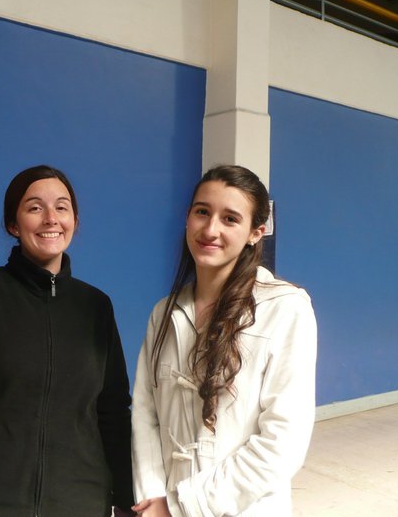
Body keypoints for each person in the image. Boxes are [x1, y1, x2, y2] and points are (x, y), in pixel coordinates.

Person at [0, 165, 135, 517]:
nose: (51, 218)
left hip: (81, 504)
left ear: (74, 221)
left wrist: (126, 499)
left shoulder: (96, 306)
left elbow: (113, 411)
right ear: (13, 224)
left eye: (62, 207)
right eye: (35, 207)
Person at [131, 165, 317, 517]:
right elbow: (145, 414)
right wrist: (153, 500)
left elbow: (283, 441)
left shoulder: (285, 308)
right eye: (202, 212)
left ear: (255, 233)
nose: (210, 229)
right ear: (187, 217)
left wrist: (182, 506)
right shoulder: (164, 313)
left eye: (230, 219)